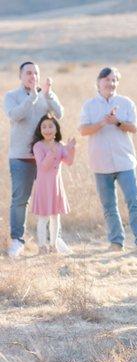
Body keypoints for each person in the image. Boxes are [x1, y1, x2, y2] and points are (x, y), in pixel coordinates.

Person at [79, 67, 137, 252]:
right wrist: (102, 123)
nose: (110, 84)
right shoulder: (89, 106)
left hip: (125, 160)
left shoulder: (126, 103)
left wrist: (117, 122)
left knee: (134, 200)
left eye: (114, 80)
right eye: (106, 80)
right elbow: (83, 130)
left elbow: (134, 128)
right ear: (98, 82)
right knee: (109, 205)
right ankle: (116, 242)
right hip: (100, 162)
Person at [4, 61, 64, 257]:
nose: (32, 76)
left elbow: (59, 114)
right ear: (21, 76)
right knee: (20, 199)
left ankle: (55, 240)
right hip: (21, 157)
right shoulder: (11, 96)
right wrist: (32, 97)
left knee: (52, 197)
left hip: (46, 157)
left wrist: (48, 95)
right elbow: (14, 116)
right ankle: (17, 240)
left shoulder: (45, 94)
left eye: (35, 73)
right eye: (28, 73)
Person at [30, 114, 76, 254]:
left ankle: (53, 245)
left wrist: (70, 148)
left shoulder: (59, 145)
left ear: (56, 129)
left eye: (51, 126)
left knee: (56, 217)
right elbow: (43, 167)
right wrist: (52, 152)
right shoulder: (38, 146)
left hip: (56, 186)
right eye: (44, 127)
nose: (47, 129)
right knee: (43, 218)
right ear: (40, 130)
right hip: (44, 187)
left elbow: (69, 162)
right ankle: (42, 247)